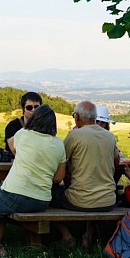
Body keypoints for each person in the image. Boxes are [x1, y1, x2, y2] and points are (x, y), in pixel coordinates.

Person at [0, 104, 66, 258]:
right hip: (41, 201)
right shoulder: (59, 144)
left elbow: (11, 146)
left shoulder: (23, 134)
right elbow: (59, 177)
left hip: (14, 193)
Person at [53, 101, 117, 248]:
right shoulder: (109, 137)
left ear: (77, 117)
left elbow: (59, 160)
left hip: (80, 200)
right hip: (108, 200)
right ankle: (87, 235)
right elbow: (116, 161)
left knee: (47, 196)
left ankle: (66, 236)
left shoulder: (74, 135)